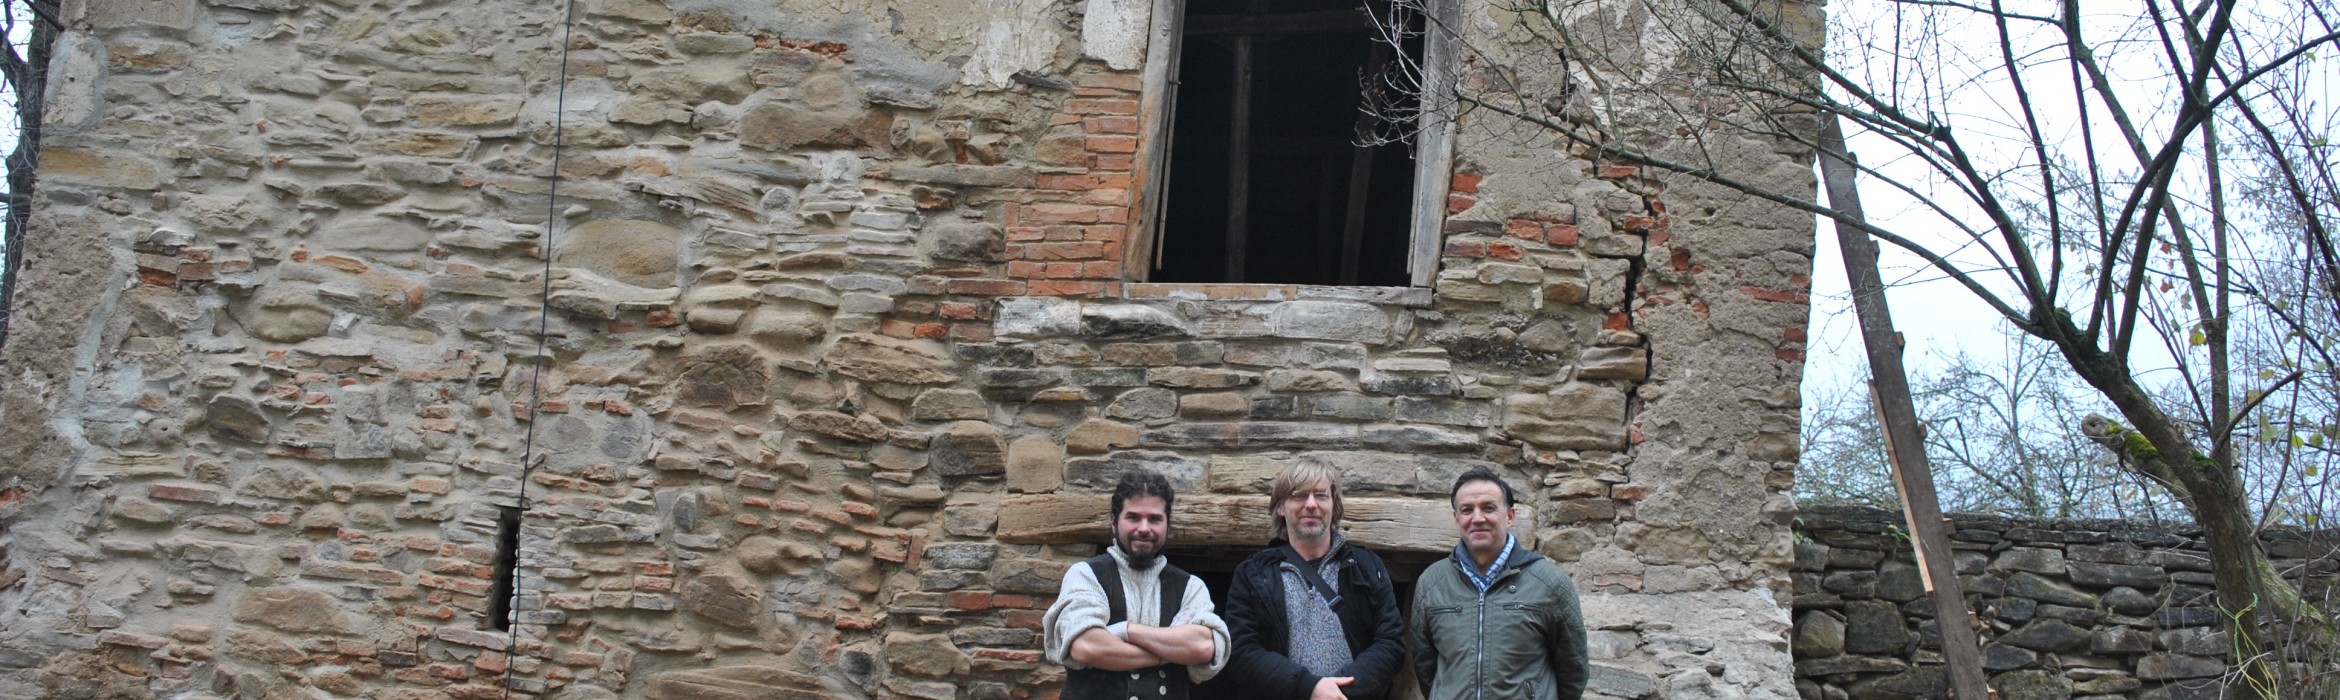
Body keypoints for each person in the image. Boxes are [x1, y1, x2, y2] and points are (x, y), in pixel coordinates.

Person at [1220, 461, 1406, 700]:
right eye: (1298, 496)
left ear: (1333, 506)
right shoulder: (1252, 574)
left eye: (1321, 495)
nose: (1311, 504)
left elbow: (1390, 643)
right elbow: (1242, 651)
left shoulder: (1366, 566)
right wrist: (1308, 687)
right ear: (1281, 507)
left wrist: (1339, 693)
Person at [1043, 470, 1231, 700]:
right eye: (1133, 517)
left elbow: (1203, 647)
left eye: (1154, 519)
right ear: (1114, 522)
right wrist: (1170, 651)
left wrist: (1125, 630)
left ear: (1168, 525)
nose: (1144, 528)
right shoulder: (1085, 574)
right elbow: (1086, 647)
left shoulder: (1191, 587)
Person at [1409, 467, 1587, 700]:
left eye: (1488, 508)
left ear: (1510, 516)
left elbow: (1573, 671)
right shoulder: (1432, 582)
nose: (1477, 518)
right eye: (1467, 510)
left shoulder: (1550, 582)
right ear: (1456, 519)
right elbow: (1425, 666)